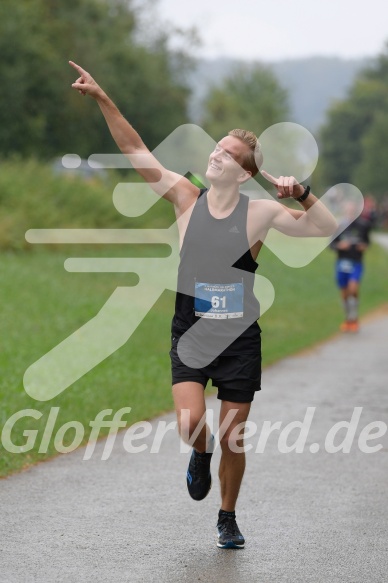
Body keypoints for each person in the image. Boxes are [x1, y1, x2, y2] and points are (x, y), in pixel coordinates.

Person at [70, 61, 337, 549]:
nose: (218, 154)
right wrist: (104, 97)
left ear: (245, 172)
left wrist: (302, 192)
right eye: (218, 146)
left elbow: (323, 228)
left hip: (238, 337)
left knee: (234, 437)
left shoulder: (261, 213)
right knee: (193, 423)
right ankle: (199, 452)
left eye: (230, 154)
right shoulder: (185, 196)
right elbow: (134, 149)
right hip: (190, 328)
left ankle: (227, 516)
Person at [330, 202, 372, 333]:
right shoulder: (339, 226)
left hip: (356, 262)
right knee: (344, 293)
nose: (351, 213)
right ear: (345, 211)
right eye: (348, 210)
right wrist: (339, 246)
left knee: (353, 289)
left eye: (353, 211)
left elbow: (367, 242)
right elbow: (331, 245)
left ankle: (354, 318)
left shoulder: (363, 226)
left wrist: (364, 246)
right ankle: (348, 318)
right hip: (342, 262)